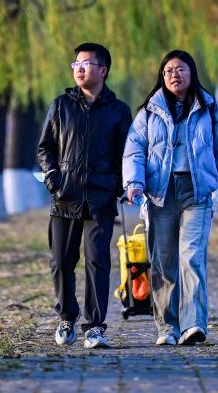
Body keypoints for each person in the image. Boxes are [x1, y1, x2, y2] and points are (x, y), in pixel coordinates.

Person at [123, 50, 218, 346]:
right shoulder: (149, 111)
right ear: (162, 77)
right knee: (163, 261)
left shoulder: (210, 108)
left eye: (181, 69)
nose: (175, 74)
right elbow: (134, 149)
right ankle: (167, 327)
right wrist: (134, 182)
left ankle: (193, 325)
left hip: (197, 191)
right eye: (168, 71)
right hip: (160, 192)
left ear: (192, 73)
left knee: (192, 258)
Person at [38, 42, 133, 349]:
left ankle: (95, 327)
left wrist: (115, 186)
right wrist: (54, 178)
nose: (79, 68)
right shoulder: (61, 105)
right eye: (76, 63)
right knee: (61, 262)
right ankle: (67, 319)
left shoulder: (118, 111)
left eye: (86, 63)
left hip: (100, 199)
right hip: (65, 198)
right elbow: (45, 148)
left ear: (103, 70)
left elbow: (127, 155)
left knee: (97, 262)